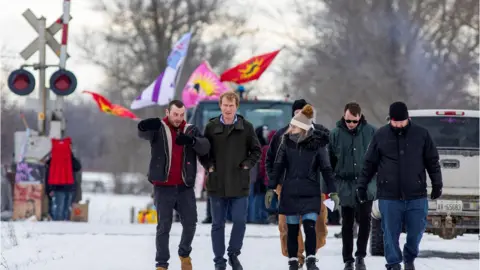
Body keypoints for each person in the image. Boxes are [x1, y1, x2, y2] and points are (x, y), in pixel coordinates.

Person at [357, 102, 443, 270]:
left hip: (416, 194)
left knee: (417, 231)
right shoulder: (380, 135)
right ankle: (393, 263)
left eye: (401, 122)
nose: (398, 125)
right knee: (390, 234)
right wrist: (362, 185)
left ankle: (409, 257)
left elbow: (432, 161)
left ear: (408, 118)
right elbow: (369, 164)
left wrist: (437, 183)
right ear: (390, 119)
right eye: (394, 122)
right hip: (389, 195)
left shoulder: (421, 134)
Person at [137, 99, 210, 270]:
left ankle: (184, 253)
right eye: (175, 114)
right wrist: (144, 125)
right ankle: (161, 263)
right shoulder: (159, 128)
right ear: (167, 112)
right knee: (164, 225)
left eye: (181, 114)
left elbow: (205, 147)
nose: (178, 118)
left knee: (191, 222)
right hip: (163, 186)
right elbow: (142, 133)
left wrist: (192, 142)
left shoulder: (190, 129)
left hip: (184, 186)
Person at [268, 104, 338, 270]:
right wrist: (271, 187)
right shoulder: (286, 143)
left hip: (310, 191)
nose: (290, 128)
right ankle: (293, 261)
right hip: (290, 191)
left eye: (293, 126)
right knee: (292, 229)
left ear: (302, 128)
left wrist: (332, 190)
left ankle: (311, 260)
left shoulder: (317, 145)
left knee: (310, 226)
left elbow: (326, 169)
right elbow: (278, 165)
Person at [203, 90, 262, 270]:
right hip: (217, 182)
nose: (228, 109)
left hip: (239, 182)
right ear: (220, 106)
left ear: (237, 106)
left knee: (239, 221)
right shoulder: (211, 127)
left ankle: (233, 253)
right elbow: (203, 151)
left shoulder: (247, 127)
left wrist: (247, 165)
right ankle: (219, 261)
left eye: (231, 105)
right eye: (225, 105)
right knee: (217, 224)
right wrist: (209, 166)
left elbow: (256, 150)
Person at [328, 102, 377, 270]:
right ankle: (348, 259)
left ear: (360, 118)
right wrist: (329, 188)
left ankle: (360, 256)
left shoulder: (371, 132)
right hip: (344, 184)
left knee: (365, 221)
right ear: (344, 116)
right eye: (348, 121)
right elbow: (328, 163)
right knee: (347, 223)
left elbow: (378, 159)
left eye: (354, 121)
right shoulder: (334, 134)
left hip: (366, 183)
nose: (351, 125)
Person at [45, 138, 82, 221]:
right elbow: (78, 167)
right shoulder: (61, 159)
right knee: (63, 209)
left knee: (60, 208)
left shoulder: (63, 159)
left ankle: (60, 224)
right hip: (65, 188)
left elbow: (48, 170)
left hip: (62, 188)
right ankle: (60, 225)